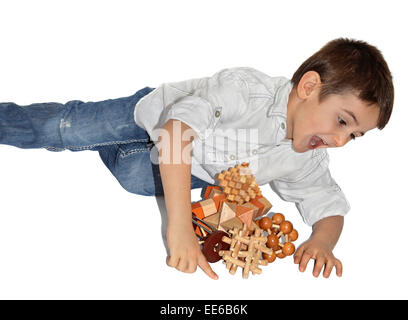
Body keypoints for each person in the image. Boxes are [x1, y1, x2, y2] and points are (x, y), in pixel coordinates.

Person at [0, 38, 394, 279]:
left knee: (132, 177)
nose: (341, 141)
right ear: (310, 86)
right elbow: (175, 133)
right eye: (343, 121)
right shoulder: (247, 91)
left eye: (354, 136)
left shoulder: (307, 156)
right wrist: (179, 228)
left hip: (190, 166)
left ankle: (109, 149)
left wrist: (323, 241)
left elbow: (327, 203)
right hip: (157, 115)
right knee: (68, 129)